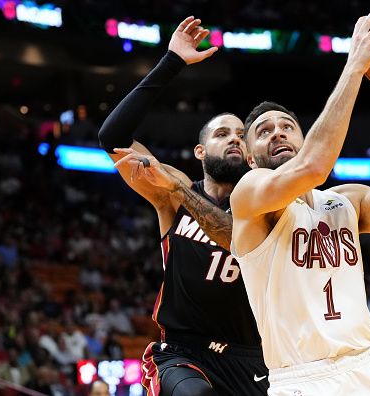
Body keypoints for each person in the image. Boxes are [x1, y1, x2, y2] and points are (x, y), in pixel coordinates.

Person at [230, 8, 370, 396]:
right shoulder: (250, 196)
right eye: (264, 131)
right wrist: (354, 67)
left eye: (287, 126)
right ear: (250, 157)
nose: (278, 133)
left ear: (303, 137)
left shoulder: (345, 201)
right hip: (305, 378)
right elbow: (314, 166)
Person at [98, 16, 267, 396]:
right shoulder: (171, 191)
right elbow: (112, 137)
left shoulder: (268, 207)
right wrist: (171, 61)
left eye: (242, 135)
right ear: (200, 151)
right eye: (223, 134)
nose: (235, 140)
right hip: (182, 353)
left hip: (254, 356)